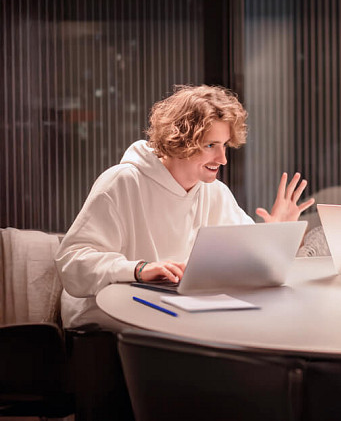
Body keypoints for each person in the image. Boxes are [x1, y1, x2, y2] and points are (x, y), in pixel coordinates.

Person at [56, 85, 314, 330]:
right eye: (211, 145)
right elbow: (72, 263)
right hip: (105, 317)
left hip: (173, 311)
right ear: (180, 140)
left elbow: (243, 263)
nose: (222, 159)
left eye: (224, 145)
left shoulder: (214, 192)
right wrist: (139, 269)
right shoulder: (123, 182)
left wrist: (274, 234)